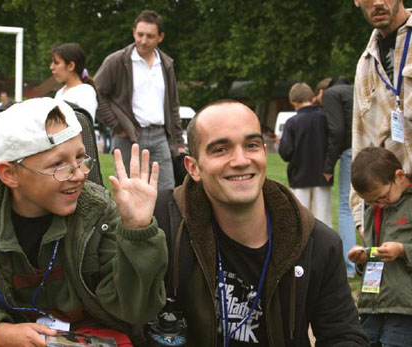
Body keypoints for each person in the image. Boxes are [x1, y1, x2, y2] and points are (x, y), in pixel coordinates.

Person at [0, 97, 165, 346]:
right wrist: (1, 334)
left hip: (91, 332)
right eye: (58, 165)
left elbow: (135, 309)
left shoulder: (98, 213)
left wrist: (138, 232)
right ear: (9, 174)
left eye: (81, 158)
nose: (79, 174)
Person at [157, 100, 367, 346]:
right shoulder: (165, 225)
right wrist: (134, 235)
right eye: (221, 150)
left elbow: (344, 336)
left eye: (252, 145)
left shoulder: (315, 242)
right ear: (193, 168)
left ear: (264, 154)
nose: (241, 160)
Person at [94, 9, 185, 190]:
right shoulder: (116, 61)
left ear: (161, 37)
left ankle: (163, 220)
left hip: (161, 137)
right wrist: (117, 125)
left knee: (167, 190)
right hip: (129, 136)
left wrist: (180, 143)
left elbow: (173, 105)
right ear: (134, 32)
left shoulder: (166, 64)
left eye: (150, 36)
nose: (143, 40)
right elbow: (95, 93)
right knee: (131, 191)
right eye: (140, 34)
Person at [351, 0, 412, 231]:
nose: (377, 2)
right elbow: (361, 142)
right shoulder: (365, 65)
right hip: (393, 211)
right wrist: (361, 219)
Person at [348, 147, 412, 346]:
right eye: (372, 201)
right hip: (371, 304)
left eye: (382, 197)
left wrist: (403, 250)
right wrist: (362, 259)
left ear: (399, 176)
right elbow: (373, 249)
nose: (379, 204)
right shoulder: (372, 209)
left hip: (403, 307)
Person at [315, 76, 357, 278]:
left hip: (350, 151)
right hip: (371, 148)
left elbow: (337, 129)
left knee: (345, 206)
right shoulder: (356, 89)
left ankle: (350, 266)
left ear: (323, 91)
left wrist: (329, 165)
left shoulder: (331, 95)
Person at [279, 83, 332, 227]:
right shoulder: (326, 117)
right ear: (312, 97)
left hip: (300, 175)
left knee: (301, 220)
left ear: (293, 102)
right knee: (323, 219)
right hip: (323, 175)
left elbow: (286, 152)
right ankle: (325, 248)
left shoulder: (292, 123)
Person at [50, 43, 98, 121]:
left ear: (71, 66)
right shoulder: (60, 92)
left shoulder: (85, 92)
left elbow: (85, 126)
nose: (51, 67)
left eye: (56, 63)